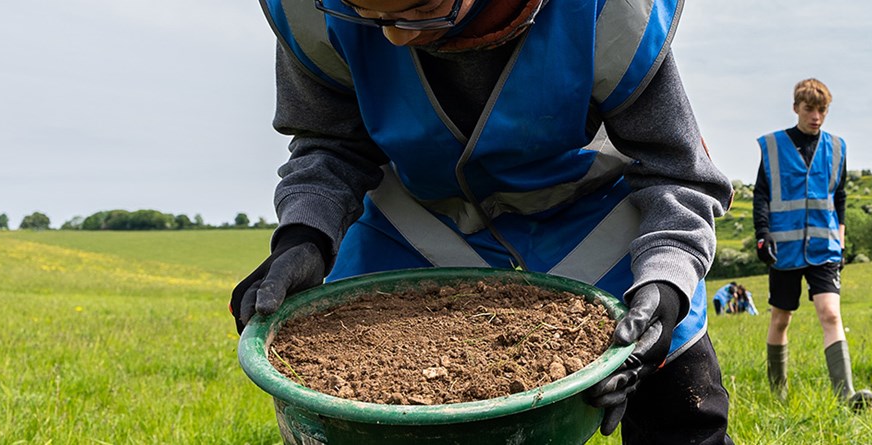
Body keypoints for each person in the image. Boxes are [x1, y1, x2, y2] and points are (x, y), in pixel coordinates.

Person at [232, 0, 733, 442]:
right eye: (365, 11)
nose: (394, 36)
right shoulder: (309, 8)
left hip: (590, 215)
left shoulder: (611, 10)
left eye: (422, 7)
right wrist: (305, 237)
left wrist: (667, 281)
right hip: (416, 222)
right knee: (368, 420)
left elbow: (678, 172)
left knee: (679, 403)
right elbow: (329, 142)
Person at [752, 79, 872, 407]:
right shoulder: (774, 147)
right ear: (796, 108)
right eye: (809, 109)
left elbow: (841, 197)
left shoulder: (837, 148)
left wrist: (843, 243)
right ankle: (779, 395)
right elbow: (762, 195)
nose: (816, 116)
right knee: (781, 319)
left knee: (831, 315)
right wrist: (762, 236)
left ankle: (846, 395)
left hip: (825, 248)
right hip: (784, 248)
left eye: (822, 110)